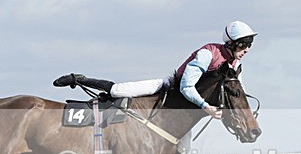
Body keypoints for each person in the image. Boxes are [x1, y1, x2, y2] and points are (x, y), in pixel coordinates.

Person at [53, 20, 257, 120]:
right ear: (230, 43)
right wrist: (206, 106)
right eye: (243, 45)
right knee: (117, 91)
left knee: (184, 150)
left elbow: (236, 92)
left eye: (249, 45)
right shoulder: (207, 54)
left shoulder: (234, 64)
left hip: (185, 106)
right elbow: (186, 87)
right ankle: (79, 79)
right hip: (170, 88)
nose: (246, 49)